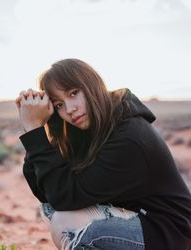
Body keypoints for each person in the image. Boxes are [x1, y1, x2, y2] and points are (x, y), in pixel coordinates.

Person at [16, 58, 191, 250]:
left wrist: (34, 132)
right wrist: (34, 129)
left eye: (74, 93)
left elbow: (65, 197)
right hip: (141, 220)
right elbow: (46, 192)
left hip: (170, 233)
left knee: (69, 224)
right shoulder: (90, 129)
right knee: (52, 209)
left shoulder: (128, 137)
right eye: (58, 104)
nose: (70, 109)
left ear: (92, 85)